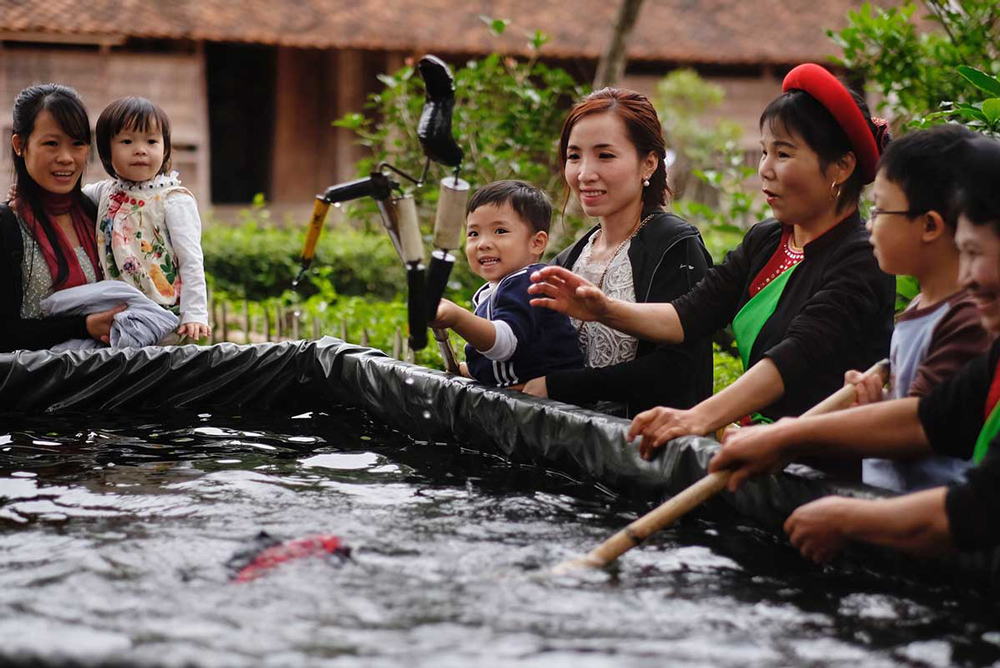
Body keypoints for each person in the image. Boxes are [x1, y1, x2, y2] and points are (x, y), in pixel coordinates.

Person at [529, 64, 895, 463]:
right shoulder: (767, 240)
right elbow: (689, 315)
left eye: (784, 154)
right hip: (760, 452)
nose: (764, 169)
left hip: (825, 461)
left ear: (841, 167)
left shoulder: (861, 256)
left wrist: (697, 418)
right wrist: (604, 309)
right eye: (764, 151)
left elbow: (795, 356)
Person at [709, 135, 1000, 561]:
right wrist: (784, 438)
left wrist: (846, 516)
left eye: (975, 254)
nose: (969, 278)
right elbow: (931, 417)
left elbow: (976, 506)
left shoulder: (956, 314)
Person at [521, 87, 713, 415]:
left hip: (644, 454)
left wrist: (560, 386)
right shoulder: (571, 258)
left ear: (648, 164)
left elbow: (678, 370)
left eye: (605, 155)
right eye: (574, 156)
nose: (584, 173)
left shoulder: (675, 245)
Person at [852, 125, 991, 492]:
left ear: (929, 225)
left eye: (879, 209)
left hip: (928, 523)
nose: (869, 224)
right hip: (886, 504)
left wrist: (791, 438)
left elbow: (918, 427)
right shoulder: (920, 306)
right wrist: (879, 404)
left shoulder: (968, 318)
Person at [1, 83, 123, 353]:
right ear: (20, 145)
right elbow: (4, 333)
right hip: (34, 390)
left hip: (106, 384)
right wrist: (83, 326)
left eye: (77, 144)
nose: (66, 158)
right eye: (51, 144)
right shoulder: (7, 225)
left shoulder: (98, 213)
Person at [430, 180, 583, 388]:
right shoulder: (492, 290)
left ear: (536, 242)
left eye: (500, 231)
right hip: (516, 401)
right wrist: (473, 370)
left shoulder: (532, 282)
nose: (483, 243)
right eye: (473, 233)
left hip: (551, 406)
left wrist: (457, 318)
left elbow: (504, 344)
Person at [84, 96, 210, 340]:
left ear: (164, 149)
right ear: (107, 151)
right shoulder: (104, 193)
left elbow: (191, 260)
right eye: (127, 141)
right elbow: (65, 200)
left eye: (151, 141)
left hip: (161, 312)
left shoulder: (173, 199)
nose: (140, 149)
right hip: (116, 311)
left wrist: (194, 313)